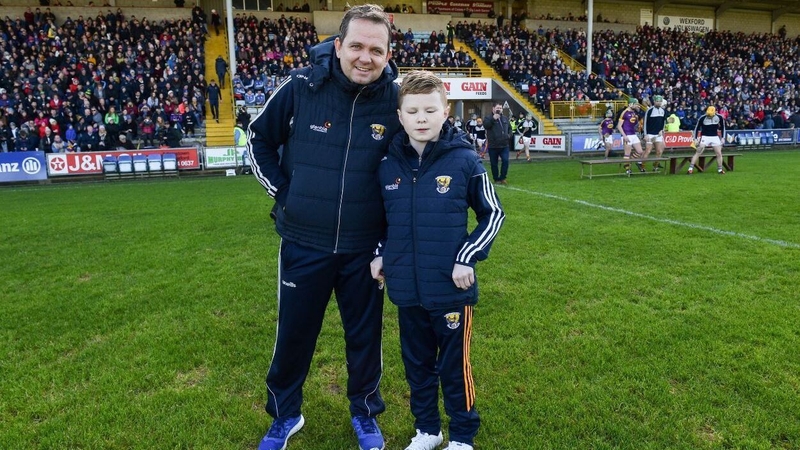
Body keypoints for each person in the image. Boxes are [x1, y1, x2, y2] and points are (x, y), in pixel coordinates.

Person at [247, 5, 401, 450]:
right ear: (338, 46)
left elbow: (425, 152)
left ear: (388, 54)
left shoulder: (396, 100)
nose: (365, 57)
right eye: (356, 46)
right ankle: (284, 416)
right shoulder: (300, 87)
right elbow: (258, 138)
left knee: (365, 339)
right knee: (294, 336)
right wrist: (284, 193)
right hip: (303, 241)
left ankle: (366, 413)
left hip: (364, 249)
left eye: (376, 49)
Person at [371, 70, 504, 450]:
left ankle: (462, 437)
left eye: (430, 109)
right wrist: (381, 254)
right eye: (412, 111)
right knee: (417, 367)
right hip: (406, 289)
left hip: (450, 290)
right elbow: (382, 221)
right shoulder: (387, 165)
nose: (422, 118)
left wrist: (467, 257)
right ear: (400, 116)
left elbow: (492, 214)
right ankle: (427, 431)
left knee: (454, 369)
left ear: (446, 112)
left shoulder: (464, 160)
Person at [688, 106, 726, 175]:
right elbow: (696, 128)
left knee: (719, 153)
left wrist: (723, 137)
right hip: (705, 137)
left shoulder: (719, 117)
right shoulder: (702, 118)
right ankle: (690, 168)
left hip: (715, 137)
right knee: (698, 151)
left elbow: (723, 127)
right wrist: (695, 139)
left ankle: (720, 169)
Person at [483, 103, 511, 184]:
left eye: (500, 108)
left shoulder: (505, 118)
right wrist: (493, 119)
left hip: (504, 145)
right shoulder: (488, 118)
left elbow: (509, 128)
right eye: (497, 108)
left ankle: (503, 177)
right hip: (493, 145)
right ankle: (496, 178)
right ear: (493, 109)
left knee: (505, 161)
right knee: (494, 163)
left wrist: (509, 135)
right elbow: (486, 126)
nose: (499, 109)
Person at [616, 98, 643, 176]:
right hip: (627, 134)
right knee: (627, 153)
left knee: (640, 151)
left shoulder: (633, 112)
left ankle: (629, 162)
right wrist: (624, 136)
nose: (637, 105)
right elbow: (619, 126)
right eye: (635, 104)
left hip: (633, 134)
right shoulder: (624, 112)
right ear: (631, 104)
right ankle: (627, 169)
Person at [642, 95, 667, 171]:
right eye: (657, 101)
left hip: (658, 134)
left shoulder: (663, 111)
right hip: (650, 134)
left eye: (660, 101)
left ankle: (655, 166)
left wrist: (662, 130)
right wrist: (645, 134)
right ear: (654, 101)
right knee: (648, 150)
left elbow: (664, 122)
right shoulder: (649, 110)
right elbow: (645, 122)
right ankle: (642, 166)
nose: (659, 103)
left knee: (659, 151)